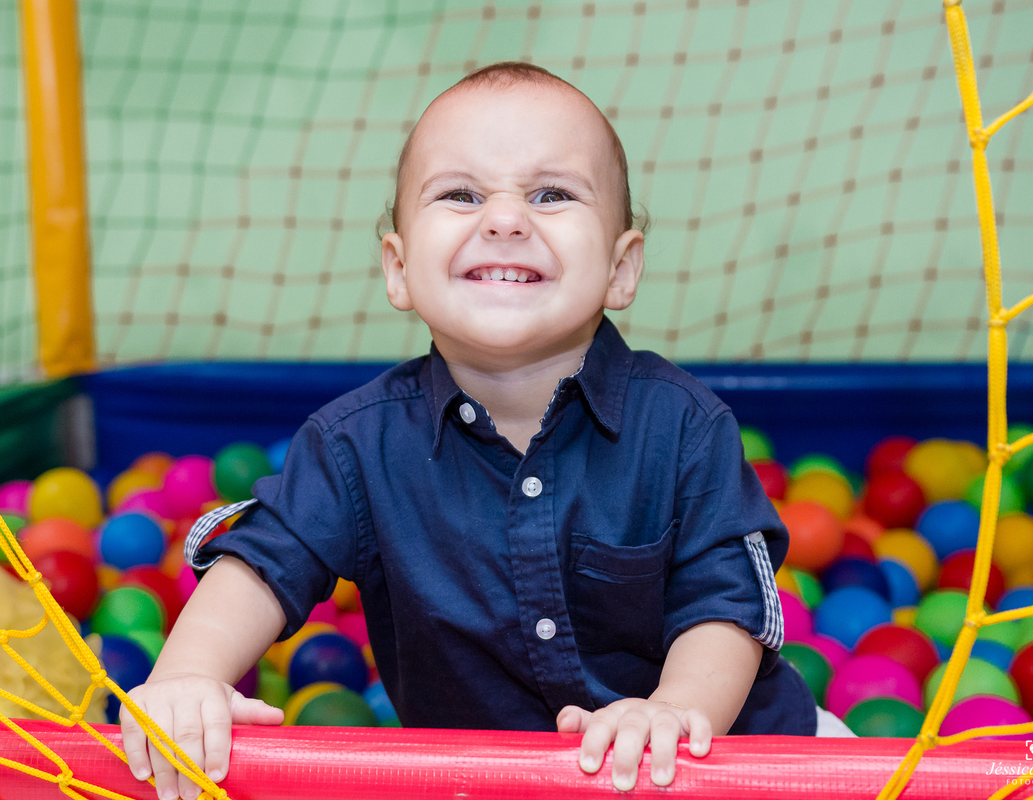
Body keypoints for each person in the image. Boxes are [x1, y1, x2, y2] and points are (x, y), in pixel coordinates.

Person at [120, 61, 840, 800]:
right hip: (490, 785)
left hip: (731, 759)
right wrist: (185, 677)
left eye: (551, 194)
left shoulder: (684, 425)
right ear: (398, 269)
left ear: (622, 270)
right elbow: (263, 560)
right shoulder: (355, 446)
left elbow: (724, 607)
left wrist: (675, 713)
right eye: (461, 195)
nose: (504, 219)